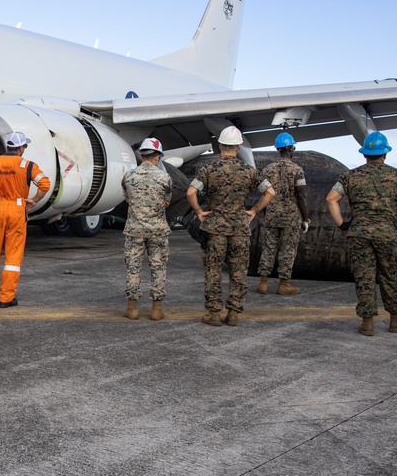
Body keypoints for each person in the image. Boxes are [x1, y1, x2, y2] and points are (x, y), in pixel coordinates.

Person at [325, 130, 397, 336]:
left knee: (364, 277)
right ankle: (396, 319)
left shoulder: (349, 176)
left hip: (359, 233)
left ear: (364, 154)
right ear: (386, 154)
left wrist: (343, 224)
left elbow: (331, 199)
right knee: (388, 275)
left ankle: (367, 321)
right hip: (387, 233)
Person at [186, 126, 274, 327]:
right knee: (238, 270)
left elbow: (191, 192)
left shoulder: (209, 169)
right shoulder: (249, 171)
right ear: (237, 148)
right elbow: (270, 192)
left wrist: (199, 212)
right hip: (239, 228)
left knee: (213, 270)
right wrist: (253, 210)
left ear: (220, 147)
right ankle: (233, 312)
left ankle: (214, 313)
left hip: (215, 227)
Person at [0, 131, 51, 308]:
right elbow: (45, 184)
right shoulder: (27, 166)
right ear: (21, 148)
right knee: (13, 257)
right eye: (25, 147)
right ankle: (6, 299)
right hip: (17, 210)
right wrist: (34, 201)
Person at [121, 137, 172, 320]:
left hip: (135, 229)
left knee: (133, 268)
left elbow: (127, 198)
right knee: (158, 267)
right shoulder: (165, 177)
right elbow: (167, 201)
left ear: (142, 156)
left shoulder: (129, 175)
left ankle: (132, 308)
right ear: (157, 157)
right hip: (158, 230)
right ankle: (157, 309)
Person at [256, 131, 310, 296]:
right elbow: (300, 195)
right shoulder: (297, 170)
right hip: (290, 218)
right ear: (291, 149)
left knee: (268, 248)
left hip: (271, 216)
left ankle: (263, 283)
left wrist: (265, 213)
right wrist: (305, 218)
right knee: (287, 250)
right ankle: (283, 284)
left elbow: (264, 194)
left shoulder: (267, 170)